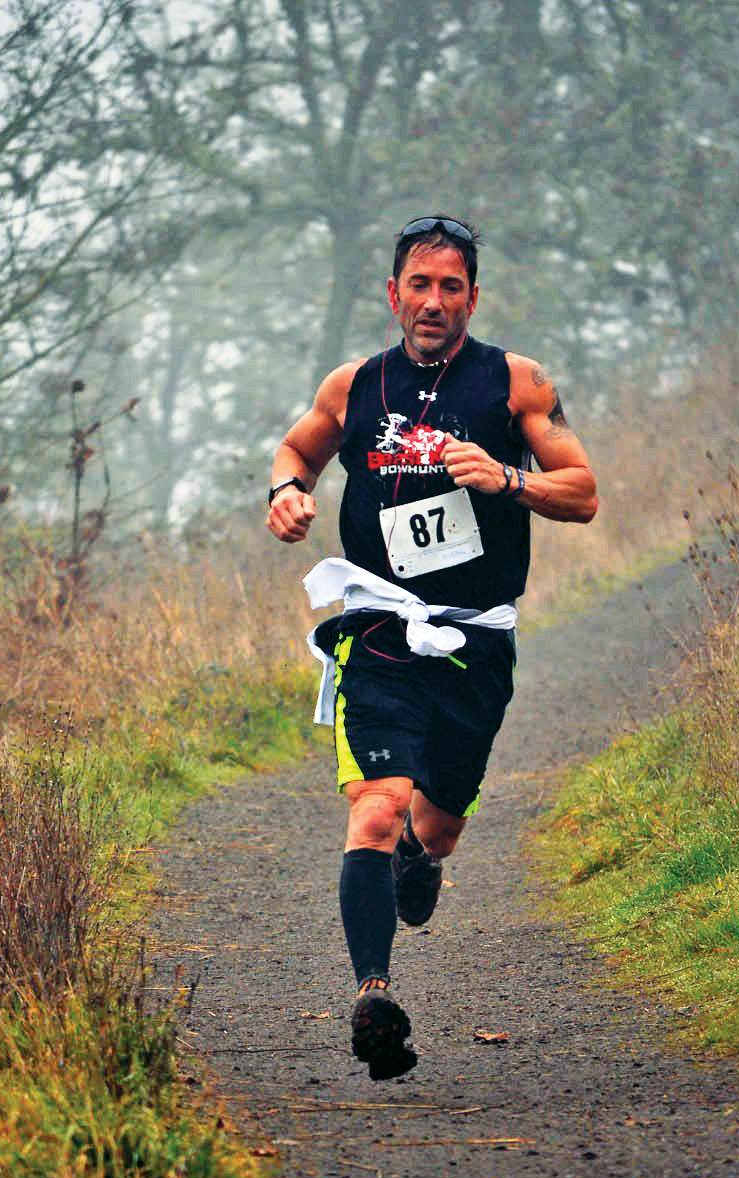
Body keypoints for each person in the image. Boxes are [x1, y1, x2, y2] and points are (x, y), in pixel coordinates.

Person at [266, 216, 597, 1080]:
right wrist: (286, 492)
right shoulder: (354, 385)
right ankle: (373, 995)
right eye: (420, 284)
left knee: (438, 827)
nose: (434, 301)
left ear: (472, 298)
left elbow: (584, 491)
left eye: (452, 287)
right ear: (394, 293)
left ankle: (419, 853)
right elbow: (297, 449)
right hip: (378, 630)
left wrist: (508, 477)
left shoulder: (515, 381)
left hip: (474, 642)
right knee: (375, 807)